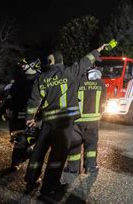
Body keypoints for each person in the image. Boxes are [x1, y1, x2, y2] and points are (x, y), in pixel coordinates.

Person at [24, 44, 107, 199]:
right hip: (64, 123)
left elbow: (34, 101)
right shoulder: (70, 72)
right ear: (61, 62)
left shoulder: (42, 79)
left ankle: (30, 181)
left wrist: (29, 119)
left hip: (48, 122)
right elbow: (86, 61)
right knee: (57, 156)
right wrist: (99, 50)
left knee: (39, 151)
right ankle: (49, 187)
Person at [0, 59, 41, 171]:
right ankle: (16, 163)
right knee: (19, 140)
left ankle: (29, 164)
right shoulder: (19, 80)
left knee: (30, 141)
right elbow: (10, 98)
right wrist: (3, 111)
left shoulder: (40, 80)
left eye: (24, 64)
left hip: (32, 118)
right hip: (18, 117)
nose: (21, 66)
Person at [64, 67, 106, 174]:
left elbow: (70, 99)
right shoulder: (101, 83)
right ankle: (91, 167)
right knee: (91, 145)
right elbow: (103, 101)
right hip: (93, 121)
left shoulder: (77, 81)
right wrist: (100, 113)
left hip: (77, 120)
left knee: (75, 144)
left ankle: (73, 169)